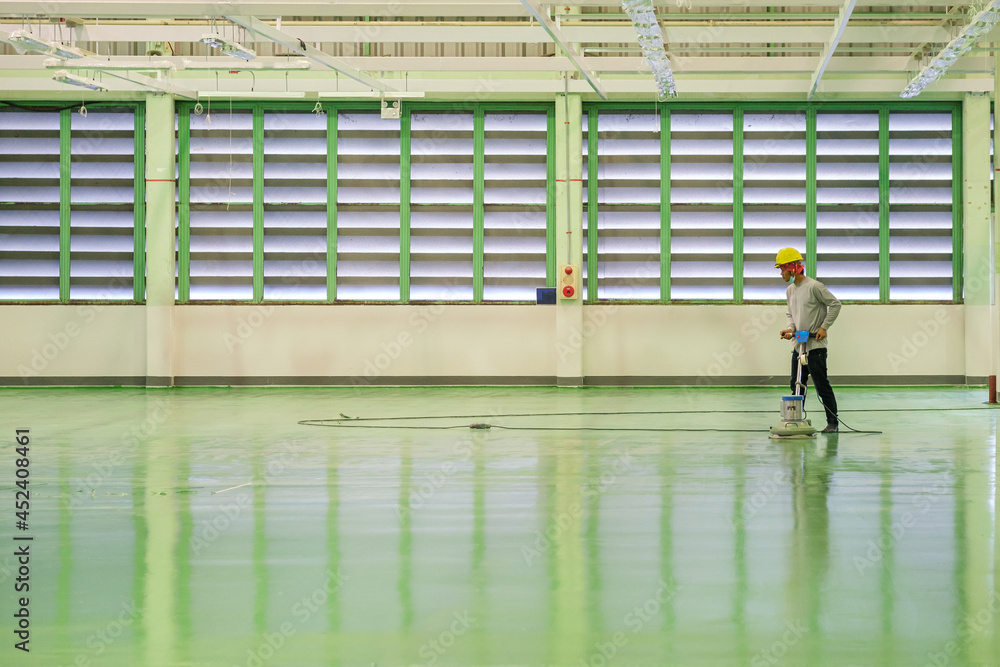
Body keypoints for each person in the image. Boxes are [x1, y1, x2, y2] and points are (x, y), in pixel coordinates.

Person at [775, 248, 841, 434]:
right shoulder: (790, 290)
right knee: (796, 384)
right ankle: (796, 419)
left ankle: (832, 423)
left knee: (821, 385)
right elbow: (791, 314)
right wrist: (790, 330)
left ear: (792, 268)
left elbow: (835, 304)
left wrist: (824, 327)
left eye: (782, 269)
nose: (781, 274)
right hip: (799, 345)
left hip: (815, 346)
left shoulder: (815, 287)